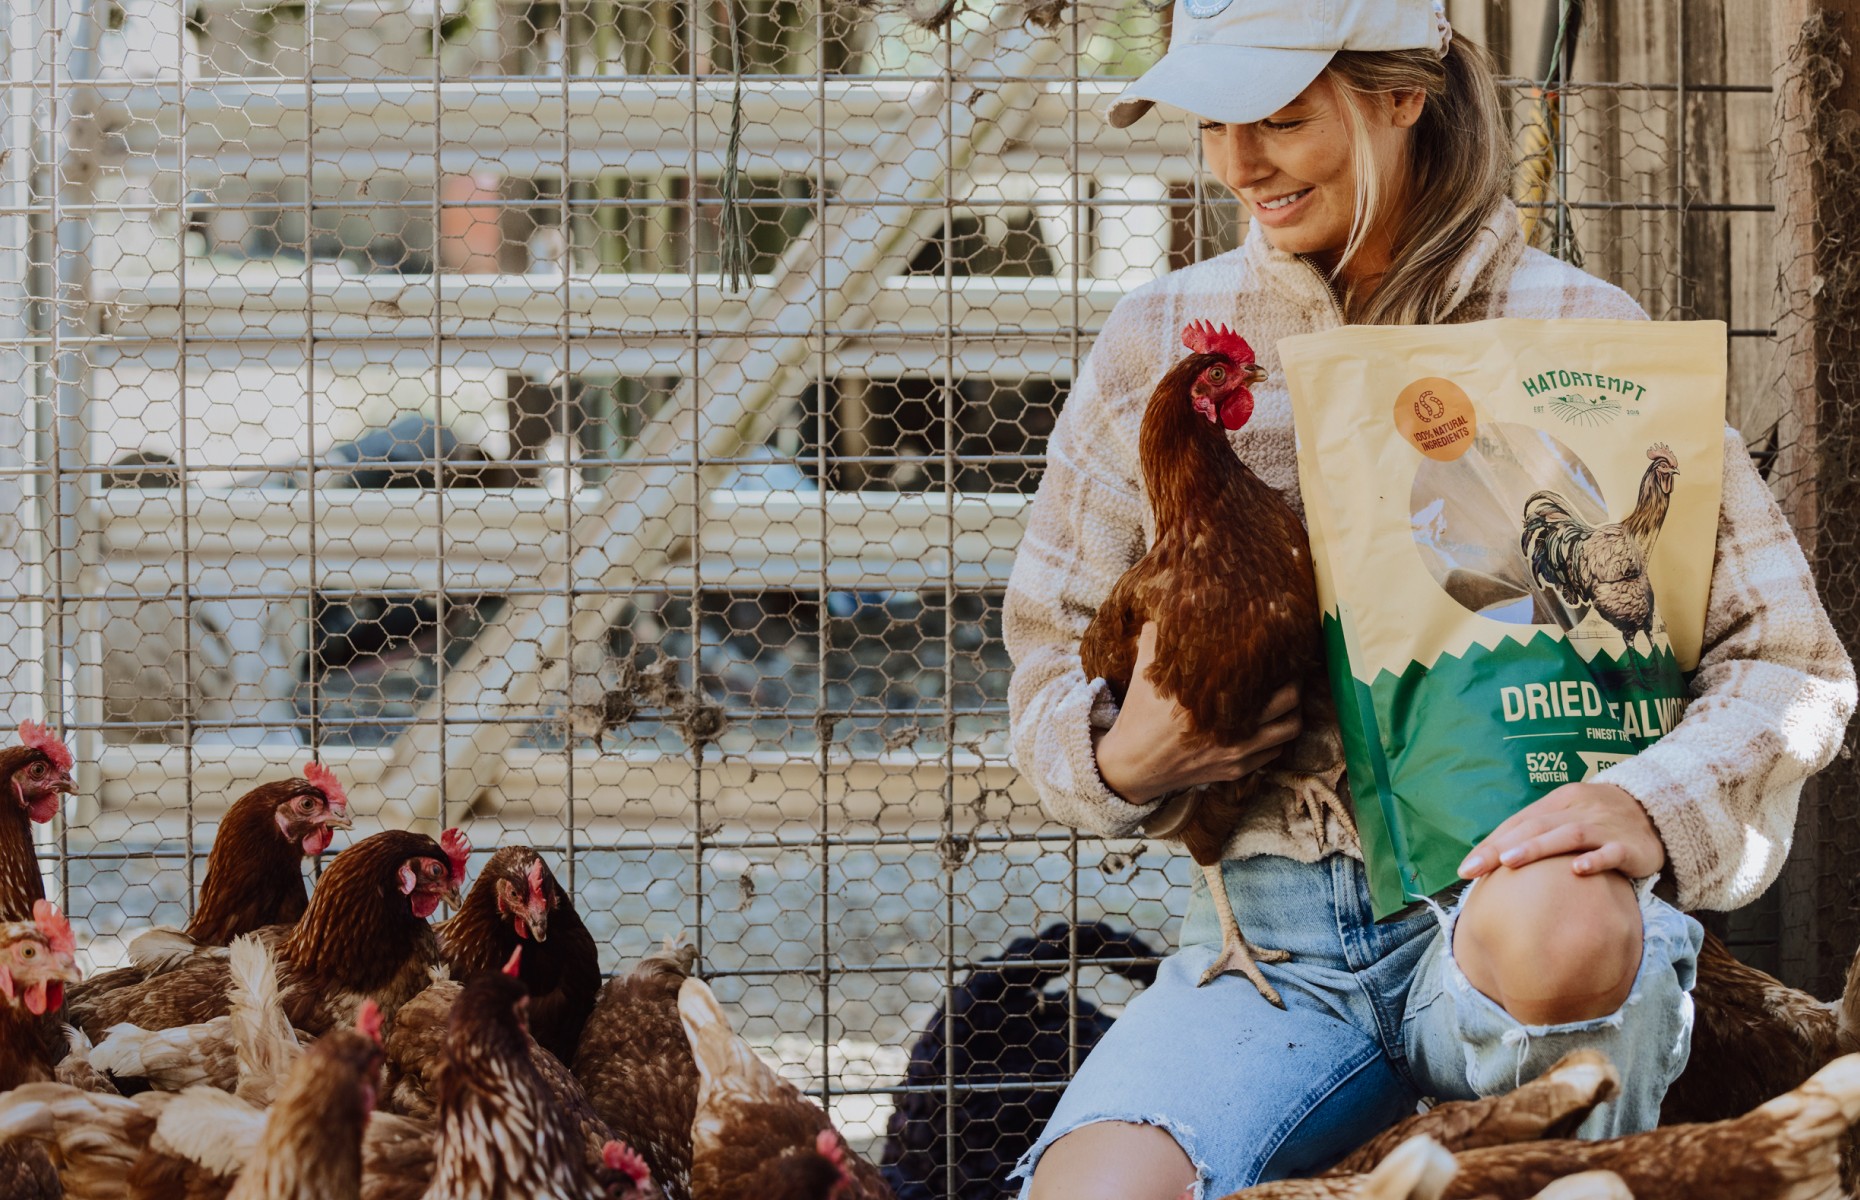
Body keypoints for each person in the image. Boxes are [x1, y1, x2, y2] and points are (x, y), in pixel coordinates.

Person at [1002, 3, 1858, 1198]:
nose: (1239, 164)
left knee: (1561, 930)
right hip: (1271, 945)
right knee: (1094, 1192)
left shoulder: (1579, 330)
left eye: (1283, 119)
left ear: (1403, 96)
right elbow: (1045, 657)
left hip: (1515, 900)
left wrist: (1646, 802)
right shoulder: (1159, 336)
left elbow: (1790, 662)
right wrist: (1121, 757)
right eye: (1213, 125)